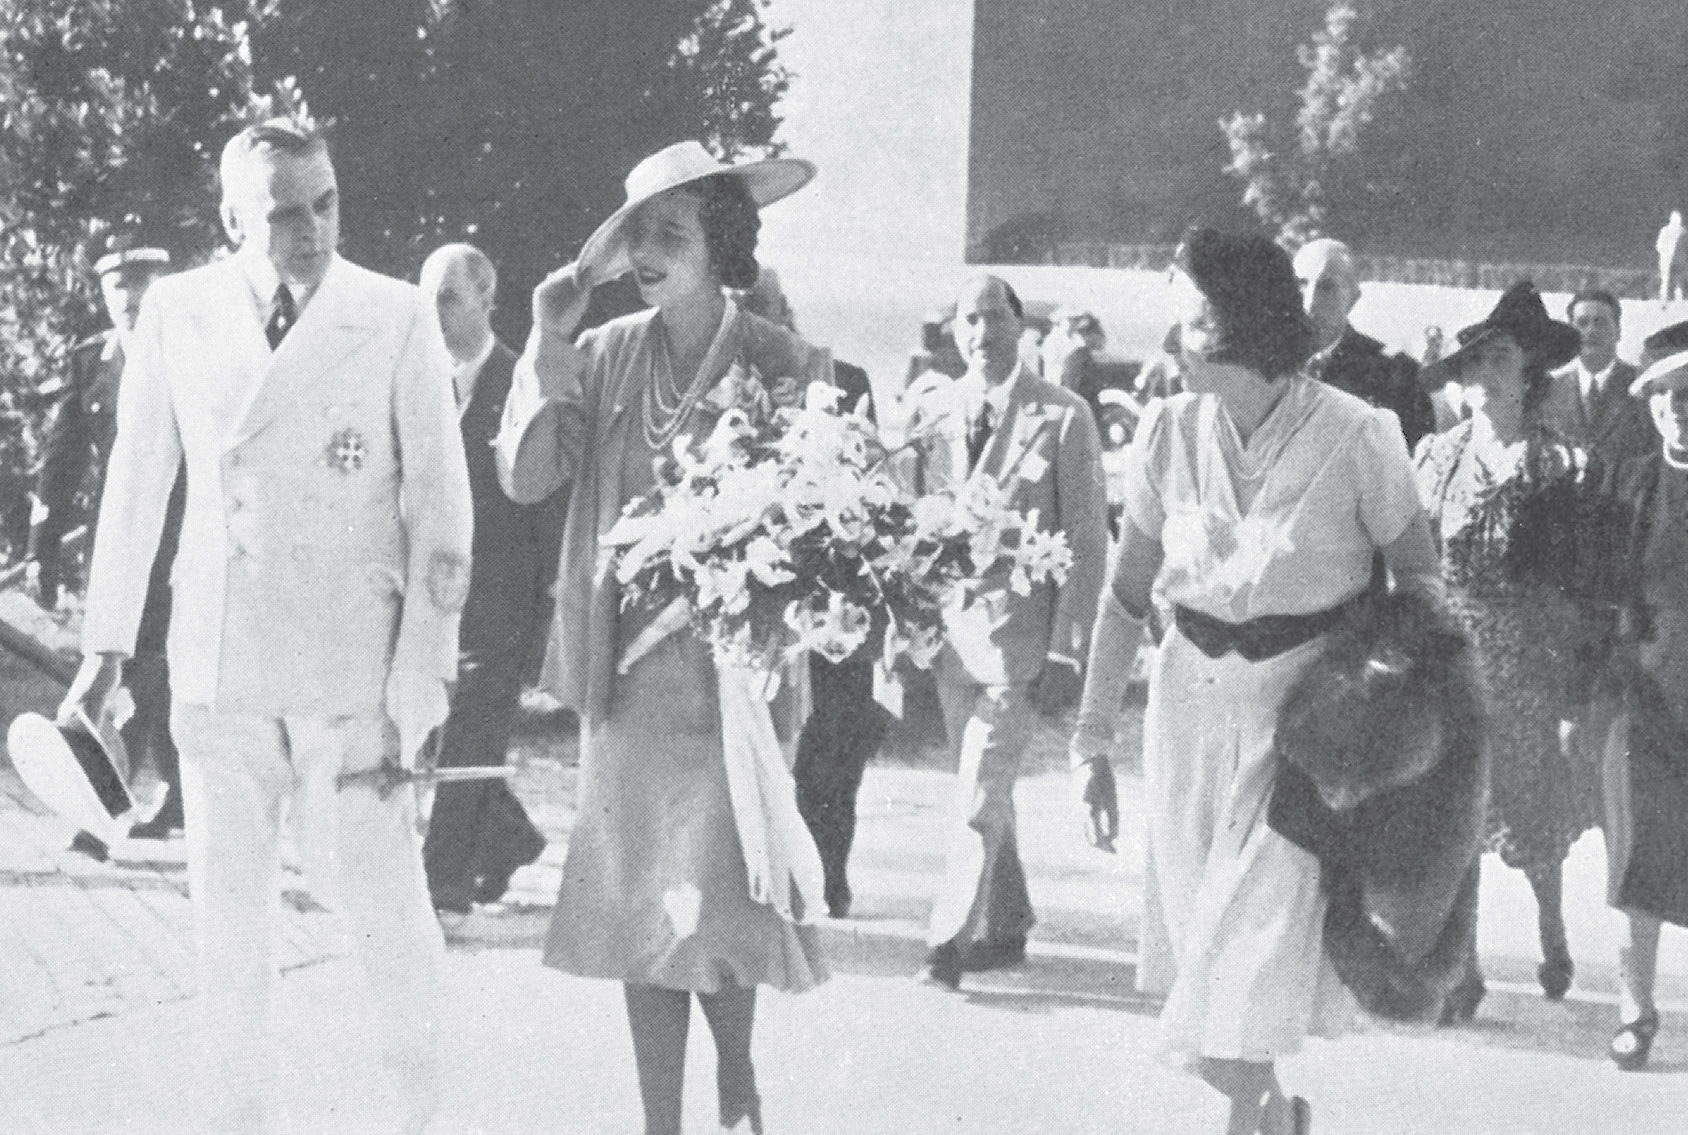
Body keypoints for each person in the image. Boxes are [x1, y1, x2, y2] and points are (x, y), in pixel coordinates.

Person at [61, 116, 472, 1134]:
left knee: (387, 920)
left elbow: (442, 508)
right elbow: (137, 479)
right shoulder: (180, 311)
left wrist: (422, 677)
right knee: (228, 939)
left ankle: (419, 1118)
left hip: (356, 673)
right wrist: (104, 650)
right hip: (221, 664)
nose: (312, 230)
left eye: (325, 201)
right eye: (284, 212)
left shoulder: (394, 313)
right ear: (230, 218)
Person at [1070, 228, 1440, 1135]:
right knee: (1206, 974)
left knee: (1247, 962)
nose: (1172, 340)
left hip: (1305, 730)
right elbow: (1123, 597)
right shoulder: (1165, 430)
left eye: (1187, 317)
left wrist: (1395, 709)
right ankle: (1274, 1117)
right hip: (1186, 716)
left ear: (1238, 323)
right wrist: (1090, 740)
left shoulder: (1362, 435)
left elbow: (1421, 585)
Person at [496, 139, 829, 1135]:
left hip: (739, 675)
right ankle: (659, 1122)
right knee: (646, 902)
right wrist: (546, 340)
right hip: (629, 679)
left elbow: (814, 510)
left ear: (717, 242)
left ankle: (734, 1076)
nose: (646, 249)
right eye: (636, 231)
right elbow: (526, 476)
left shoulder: (778, 355)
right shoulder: (602, 353)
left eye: (669, 231)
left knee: (720, 894)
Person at [899, 273, 1108, 991]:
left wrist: (1064, 646)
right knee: (981, 789)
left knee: (980, 793)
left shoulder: (1064, 415)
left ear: (1021, 328)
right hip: (952, 638)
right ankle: (1009, 919)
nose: (981, 333)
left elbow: (1086, 539)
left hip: (1021, 646)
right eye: (969, 320)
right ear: (953, 333)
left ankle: (947, 943)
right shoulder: (931, 411)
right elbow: (911, 521)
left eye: (994, 318)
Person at [1411, 282, 1603, 1020]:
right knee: (1456, 818)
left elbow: (1576, 589)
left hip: (1527, 662)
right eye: (1475, 360)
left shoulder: (1561, 466)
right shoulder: (1437, 457)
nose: (1483, 373)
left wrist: (1569, 689)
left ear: (1530, 372)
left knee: (1528, 821)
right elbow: (1414, 557)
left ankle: (1551, 921)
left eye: (1500, 358)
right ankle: (1461, 969)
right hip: (1453, 660)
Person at [731, 266, 888, 920]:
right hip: (753, 594)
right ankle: (762, 870)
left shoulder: (844, 381)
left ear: (785, 313)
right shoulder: (724, 393)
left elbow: (875, 487)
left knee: (833, 741)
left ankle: (829, 871)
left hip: (833, 591)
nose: (756, 331)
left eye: (763, 313)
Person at [27, 229, 186, 851]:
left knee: (139, 676)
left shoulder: (189, 356)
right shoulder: (93, 359)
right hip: (116, 546)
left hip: (179, 544)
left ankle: (100, 815)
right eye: (117, 286)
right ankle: (170, 800)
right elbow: (62, 454)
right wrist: (44, 541)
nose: (130, 298)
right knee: (148, 676)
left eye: (141, 284)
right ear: (102, 294)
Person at [417, 243, 560, 916]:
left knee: (469, 734)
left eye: (445, 297)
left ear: (485, 298)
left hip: (500, 601)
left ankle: (438, 880)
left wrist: (546, 613)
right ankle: (508, 840)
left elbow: (546, 508)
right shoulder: (419, 384)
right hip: (428, 602)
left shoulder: (519, 386)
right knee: (438, 732)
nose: (432, 311)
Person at [1596, 320, 1688, 1070]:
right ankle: (1636, 1008)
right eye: (1664, 396)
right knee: (1637, 859)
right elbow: (1598, 597)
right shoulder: (1627, 482)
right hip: (1643, 699)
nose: (1678, 408)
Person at [1294, 237, 1436, 451]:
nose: (1309, 302)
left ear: (1352, 298)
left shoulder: (1396, 375)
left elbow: (1412, 471)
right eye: (1300, 284)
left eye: (1327, 287)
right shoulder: (1258, 367)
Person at [1656, 210, 1686, 304]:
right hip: (1666, 260)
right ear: (1671, 220)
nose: (1677, 222)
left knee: (1679, 280)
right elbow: (1659, 246)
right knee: (1665, 279)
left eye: (1678, 220)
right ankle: (1664, 300)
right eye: (1675, 220)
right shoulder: (1665, 231)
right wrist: (1667, 253)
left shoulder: (1683, 233)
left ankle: (1679, 301)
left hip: (1680, 262)